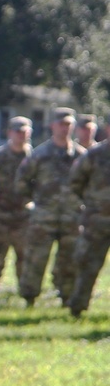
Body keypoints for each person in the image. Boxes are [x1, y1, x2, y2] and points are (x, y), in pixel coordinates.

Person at [15, 107, 82, 307]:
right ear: (52, 126)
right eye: (61, 124)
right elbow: (21, 181)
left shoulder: (80, 156)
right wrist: (34, 201)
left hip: (72, 217)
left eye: (68, 124)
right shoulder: (39, 154)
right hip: (43, 217)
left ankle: (67, 297)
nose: (65, 128)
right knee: (35, 260)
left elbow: (91, 182)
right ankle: (30, 298)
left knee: (69, 261)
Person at [0, 116, 32, 293]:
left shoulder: (33, 157)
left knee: (25, 256)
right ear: (10, 133)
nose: (21, 135)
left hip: (23, 215)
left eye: (24, 131)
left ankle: (26, 292)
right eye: (18, 131)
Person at [66, 133, 110, 317]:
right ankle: (78, 307)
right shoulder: (94, 154)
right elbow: (75, 181)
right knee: (87, 264)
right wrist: (91, 204)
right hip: (96, 221)